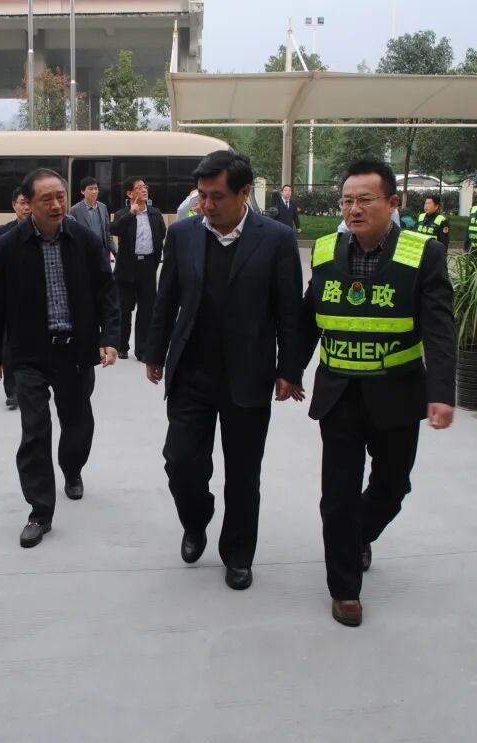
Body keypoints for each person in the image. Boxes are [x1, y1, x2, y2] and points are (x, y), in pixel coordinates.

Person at [297, 159, 455, 628]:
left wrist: (441, 391)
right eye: (347, 200)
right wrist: (289, 371)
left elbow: (439, 328)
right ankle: (345, 590)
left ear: (392, 203)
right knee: (338, 496)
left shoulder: (423, 253)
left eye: (365, 200)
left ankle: (357, 536)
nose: (354, 209)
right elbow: (309, 318)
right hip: (339, 393)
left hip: (397, 394)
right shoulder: (325, 250)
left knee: (392, 487)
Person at [145, 150, 304, 591]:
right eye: (202, 195)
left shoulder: (276, 239)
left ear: (244, 193)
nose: (206, 205)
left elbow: (290, 311)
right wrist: (155, 352)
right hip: (191, 373)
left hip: (248, 375)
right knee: (180, 463)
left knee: (243, 475)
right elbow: (166, 298)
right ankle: (195, 521)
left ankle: (238, 554)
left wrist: (290, 369)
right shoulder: (184, 235)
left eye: (216, 196)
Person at [0, 168, 119, 549]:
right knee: (35, 431)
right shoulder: (7, 247)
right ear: (28, 203)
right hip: (29, 354)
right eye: (47, 198)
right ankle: (40, 511)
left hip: (76, 351)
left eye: (60, 196)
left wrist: (109, 338)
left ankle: (72, 469)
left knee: (78, 425)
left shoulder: (85, 241)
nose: (57, 204)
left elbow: (106, 292)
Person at [110, 176, 166, 361]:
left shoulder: (155, 213)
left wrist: (155, 260)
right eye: (139, 187)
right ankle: (122, 346)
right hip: (127, 268)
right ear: (129, 193)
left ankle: (142, 349)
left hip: (147, 267)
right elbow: (113, 229)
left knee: (147, 310)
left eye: (145, 187)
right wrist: (131, 214)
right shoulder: (123, 214)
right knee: (124, 309)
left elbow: (161, 234)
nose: (144, 190)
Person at [0, 187, 33, 410]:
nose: (26, 207)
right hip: (12, 300)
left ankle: (33, 386)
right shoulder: (2, 232)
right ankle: (12, 391)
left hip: (37, 298)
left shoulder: (44, 229)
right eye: (22, 203)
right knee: (10, 348)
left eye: (29, 203)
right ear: (14, 205)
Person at [68, 176, 116, 260]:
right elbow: (71, 236)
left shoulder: (103, 207)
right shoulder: (74, 210)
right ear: (83, 191)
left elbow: (107, 233)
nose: (94, 192)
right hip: (84, 255)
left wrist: (115, 251)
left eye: (96, 189)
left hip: (102, 253)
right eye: (90, 189)